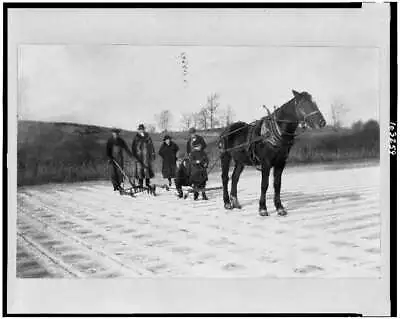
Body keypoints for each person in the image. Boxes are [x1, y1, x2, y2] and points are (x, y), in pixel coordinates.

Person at [131, 124, 156, 189]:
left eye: (142, 129)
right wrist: (134, 155)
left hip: (146, 156)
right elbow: (133, 147)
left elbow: (151, 146)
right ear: (138, 130)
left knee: (146, 169)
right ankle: (140, 184)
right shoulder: (136, 138)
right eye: (140, 129)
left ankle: (147, 183)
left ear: (144, 130)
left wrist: (153, 154)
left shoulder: (147, 137)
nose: (141, 130)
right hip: (138, 156)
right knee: (139, 170)